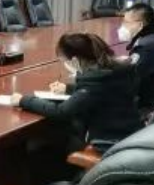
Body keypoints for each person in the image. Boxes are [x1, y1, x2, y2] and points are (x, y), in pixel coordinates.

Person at [10, 33, 143, 154]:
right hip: (128, 131)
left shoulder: (94, 82)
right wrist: (68, 89)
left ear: (74, 60)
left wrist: (24, 100)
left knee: (50, 133)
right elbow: (102, 93)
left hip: (106, 140)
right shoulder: (115, 69)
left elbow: (61, 111)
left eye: (64, 61)